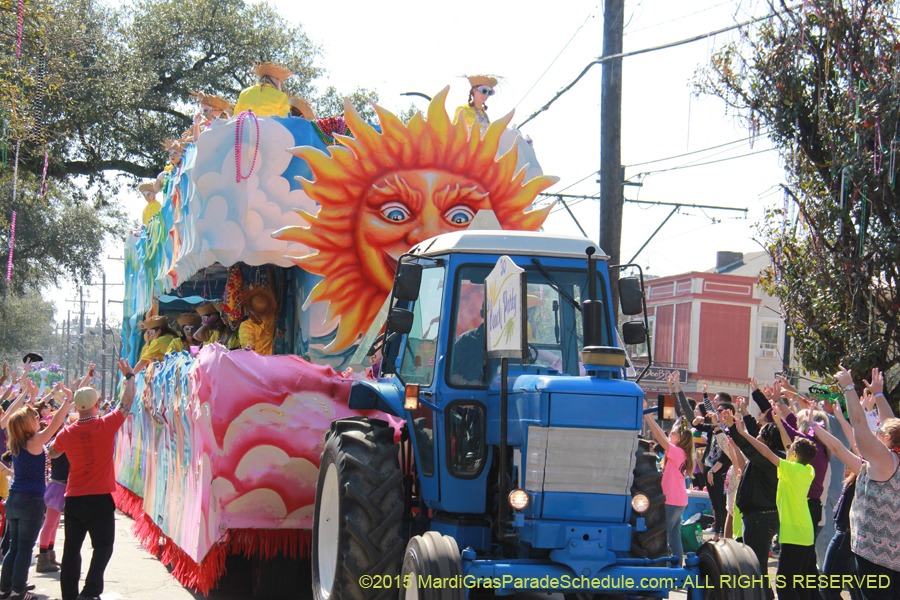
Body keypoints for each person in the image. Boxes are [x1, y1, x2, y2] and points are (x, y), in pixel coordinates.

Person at [50, 361, 135, 600]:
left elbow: (53, 453)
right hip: (99, 500)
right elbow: (127, 402)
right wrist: (129, 375)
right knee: (103, 546)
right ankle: (90, 592)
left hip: (74, 499)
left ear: (77, 407)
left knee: (71, 551)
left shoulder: (67, 432)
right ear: (97, 405)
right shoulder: (106, 424)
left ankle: (69, 595)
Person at [0, 388, 74, 600]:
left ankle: (6, 588)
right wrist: (68, 400)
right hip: (30, 501)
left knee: (14, 547)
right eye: (34, 417)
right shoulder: (34, 442)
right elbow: (55, 423)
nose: (37, 418)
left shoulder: (14, 443)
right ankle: (18, 591)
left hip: (14, 499)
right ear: (26, 424)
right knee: (24, 549)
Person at [736, 415, 818, 600]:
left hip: (794, 534)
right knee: (800, 583)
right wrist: (780, 423)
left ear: (795, 455)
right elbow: (790, 448)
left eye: (792, 450)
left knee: (785, 586)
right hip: (806, 532)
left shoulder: (790, 470)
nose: (788, 449)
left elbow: (765, 452)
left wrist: (743, 434)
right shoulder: (808, 470)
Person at [837, 366, 900, 600]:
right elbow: (892, 425)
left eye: (880, 432)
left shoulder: (885, 460)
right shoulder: (893, 455)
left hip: (876, 555)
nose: (877, 432)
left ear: (886, 439)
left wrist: (848, 387)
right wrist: (880, 395)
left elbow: (860, 426)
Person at [643, 400, 694, 567]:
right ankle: (676, 568)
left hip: (672, 501)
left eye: (672, 433)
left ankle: (665, 569)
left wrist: (649, 418)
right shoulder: (683, 453)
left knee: (663, 536)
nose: (669, 434)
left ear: (679, 438)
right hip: (679, 501)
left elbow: (659, 437)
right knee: (674, 537)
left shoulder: (678, 452)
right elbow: (662, 438)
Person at [35, 449, 68, 573]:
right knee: (50, 524)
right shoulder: (60, 445)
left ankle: (49, 556)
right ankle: (43, 560)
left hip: (60, 485)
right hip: (59, 486)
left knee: (53, 525)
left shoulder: (58, 445)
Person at [238, 288, 277, 355]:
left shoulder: (247, 325)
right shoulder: (270, 322)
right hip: (268, 361)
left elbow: (249, 348)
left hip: (254, 363)